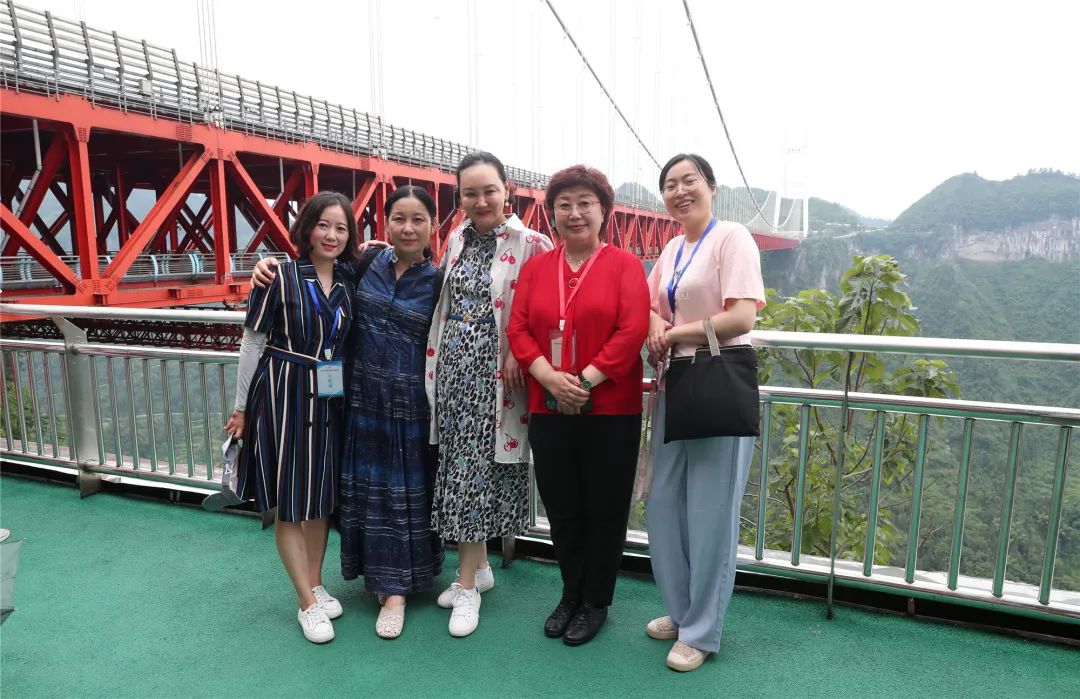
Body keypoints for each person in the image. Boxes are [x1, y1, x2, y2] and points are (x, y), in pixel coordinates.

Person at [507, 165, 649, 646]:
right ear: (552, 214)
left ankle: (595, 601)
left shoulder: (625, 265)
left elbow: (632, 331)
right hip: (548, 406)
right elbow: (518, 329)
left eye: (585, 203)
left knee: (605, 508)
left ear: (604, 211)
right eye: (563, 205)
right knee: (562, 506)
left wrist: (582, 382)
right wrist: (549, 378)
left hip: (610, 410)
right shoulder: (536, 268)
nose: (574, 213)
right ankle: (570, 594)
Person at [643, 153, 766, 671]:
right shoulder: (673, 247)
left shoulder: (732, 238)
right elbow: (653, 302)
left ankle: (701, 630)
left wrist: (675, 332)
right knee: (665, 505)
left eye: (689, 181)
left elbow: (742, 316)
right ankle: (681, 611)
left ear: (711, 187)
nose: (679, 192)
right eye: (669, 185)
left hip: (715, 384)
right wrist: (656, 325)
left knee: (711, 513)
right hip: (675, 386)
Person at [425, 151, 554, 637]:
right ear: (459, 197)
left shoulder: (533, 243)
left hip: (497, 380)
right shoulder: (456, 237)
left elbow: (548, 312)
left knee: (475, 474)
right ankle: (478, 568)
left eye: (489, 191)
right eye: (470, 193)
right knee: (461, 466)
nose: (480, 201)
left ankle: (466, 587)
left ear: (507, 191)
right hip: (453, 373)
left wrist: (521, 351)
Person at [224, 191, 358, 644]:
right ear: (307, 228)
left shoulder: (348, 281)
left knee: (319, 497)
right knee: (289, 500)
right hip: (283, 391)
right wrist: (241, 407)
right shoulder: (278, 276)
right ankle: (305, 602)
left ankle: (316, 584)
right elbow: (252, 340)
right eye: (323, 225)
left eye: (341, 228)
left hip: (329, 396)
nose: (332, 235)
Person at [336, 186, 445, 639]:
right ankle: (381, 578)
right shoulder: (365, 264)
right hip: (362, 399)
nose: (408, 228)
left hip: (411, 405)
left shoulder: (439, 281)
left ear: (433, 226)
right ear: (386, 223)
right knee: (370, 492)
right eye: (399, 218)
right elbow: (315, 268)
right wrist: (272, 268)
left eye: (418, 219)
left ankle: (397, 590)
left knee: (404, 493)